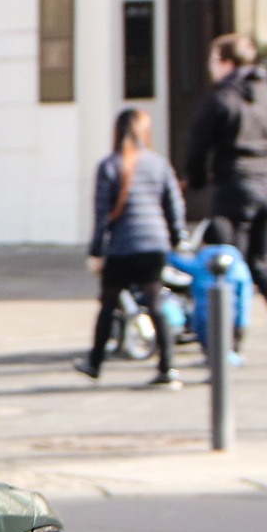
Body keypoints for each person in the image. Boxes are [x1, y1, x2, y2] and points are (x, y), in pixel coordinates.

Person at [185, 32, 267, 362]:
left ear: (226, 62)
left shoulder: (221, 99)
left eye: (212, 60)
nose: (210, 68)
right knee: (262, 263)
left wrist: (194, 181)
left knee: (227, 264)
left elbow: (197, 149)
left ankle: (229, 342)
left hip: (237, 186)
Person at [77, 107, 184, 388]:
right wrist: (175, 238)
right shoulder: (159, 164)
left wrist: (96, 250)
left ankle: (95, 362)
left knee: (108, 304)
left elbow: (101, 215)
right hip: (154, 244)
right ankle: (168, 366)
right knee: (155, 303)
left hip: (123, 246)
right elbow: (174, 205)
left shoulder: (109, 166)